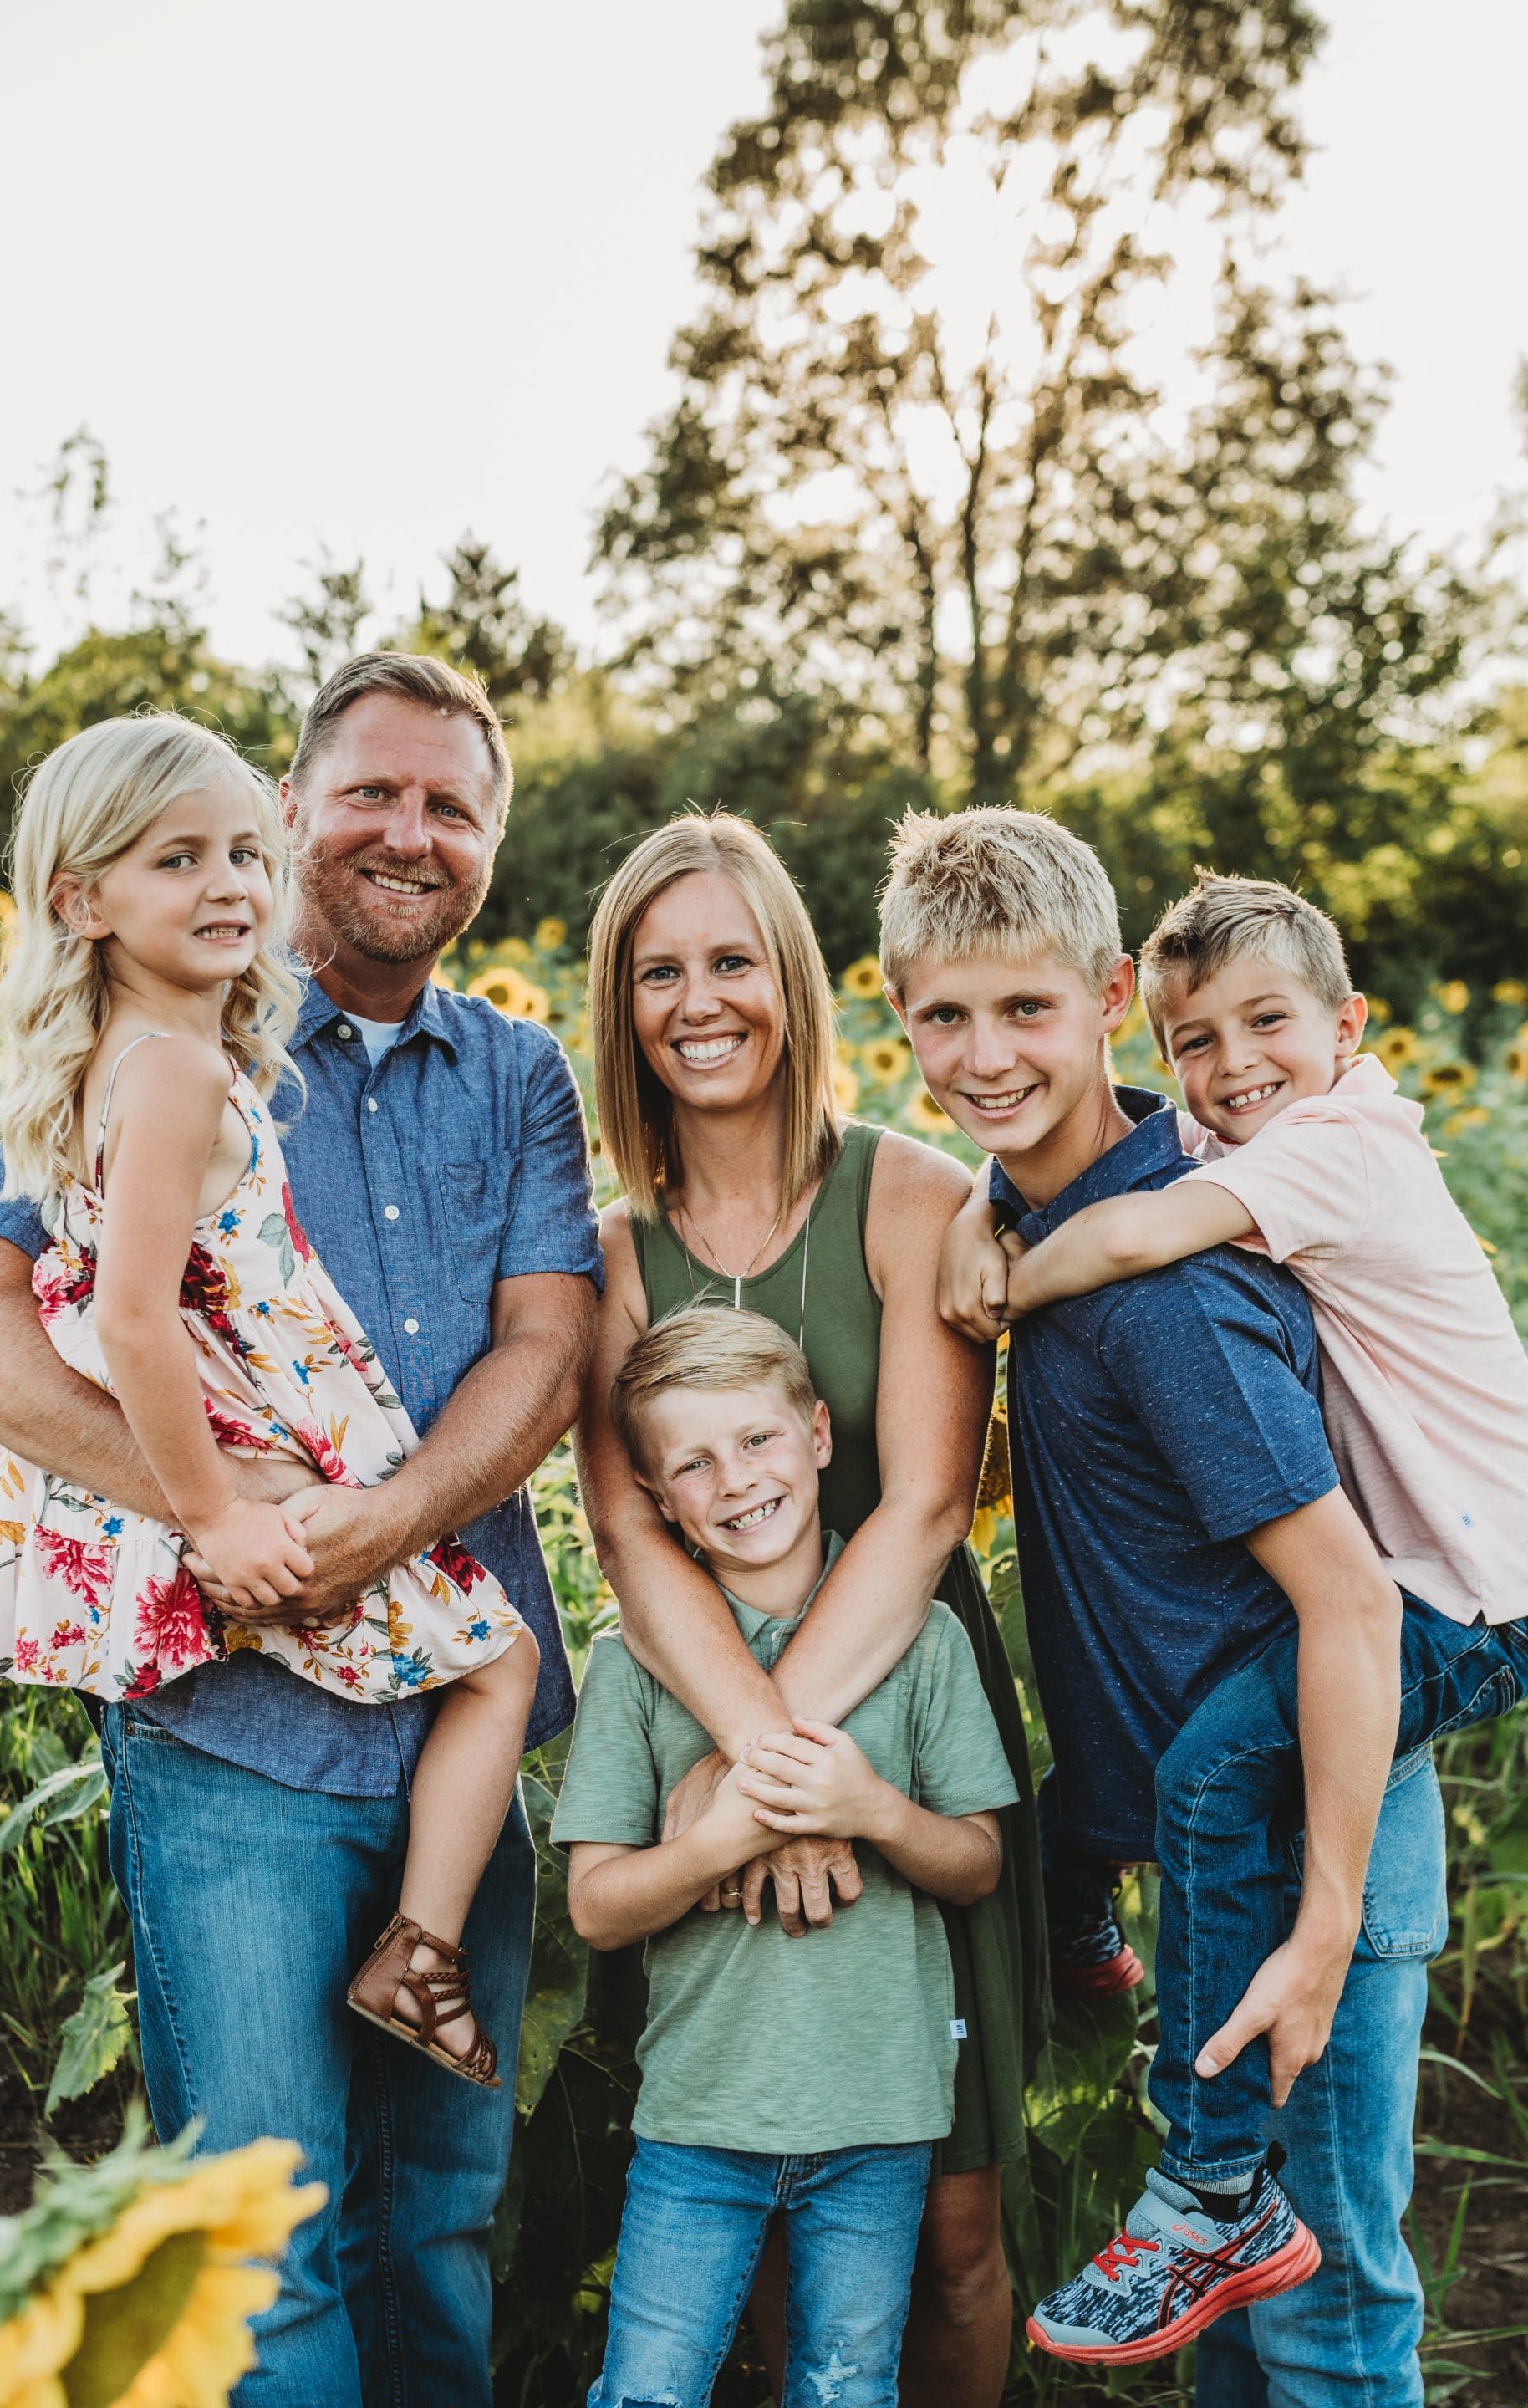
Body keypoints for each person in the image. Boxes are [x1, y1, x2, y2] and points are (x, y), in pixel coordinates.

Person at [0, 655, 601, 2408]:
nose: (410, 831)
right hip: (229, 1726)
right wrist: (226, 1519)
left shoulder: (521, 1074)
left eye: (452, 804)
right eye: (369, 791)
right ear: (296, 807)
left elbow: (549, 1346)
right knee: (261, 2232)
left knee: (440, 2212)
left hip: (452, 1669)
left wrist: (380, 1523)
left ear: (491, 846)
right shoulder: (179, 1037)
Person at [884, 804, 1445, 2400]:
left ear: (1110, 997)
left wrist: (1325, 1926)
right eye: (944, 1015)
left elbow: (1348, 1606)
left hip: (1307, 1850)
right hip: (1231, 1840)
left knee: (1329, 2327)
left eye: (1027, 1011)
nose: (985, 1056)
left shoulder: (1169, 1284)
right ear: (900, 1017)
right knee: (1245, 2341)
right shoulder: (1060, 1220)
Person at [575, 814, 1047, 2405]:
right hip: (700, 1705)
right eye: (659, 972)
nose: (699, 1000)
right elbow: (632, 1537)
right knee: (776, 2221)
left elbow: (920, 1504)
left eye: (730, 959)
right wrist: (757, 1777)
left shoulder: (912, 1199)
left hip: (904, 1716)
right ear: (620, 1008)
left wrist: (792, 1777)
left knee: (957, 2225)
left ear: (788, 975)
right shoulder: (613, 1256)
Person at [555, 1307, 1016, 2408]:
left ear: (817, 1435)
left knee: (847, 2384)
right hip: (700, 2118)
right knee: (649, 2386)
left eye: (758, 1441)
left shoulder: (924, 1638)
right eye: (694, 1464)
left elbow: (977, 1864)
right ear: (658, 1500)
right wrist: (713, 1842)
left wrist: (870, 1809)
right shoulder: (635, 1667)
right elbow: (596, 1909)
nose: (737, 1481)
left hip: (881, 2115)